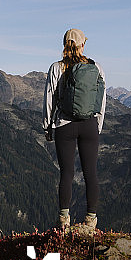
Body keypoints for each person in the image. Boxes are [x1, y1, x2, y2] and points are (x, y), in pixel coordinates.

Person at [43, 28, 106, 231]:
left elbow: (49, 98)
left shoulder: (56, 68)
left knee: (67, 173)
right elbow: (101, 101)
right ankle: (91, 221)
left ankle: (63, 221)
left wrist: (48, 126)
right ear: (83, 45)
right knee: (91, 173)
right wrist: (98, 126)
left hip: (64, 124)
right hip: (89, 125)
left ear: (64, 44)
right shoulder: (96, 68)